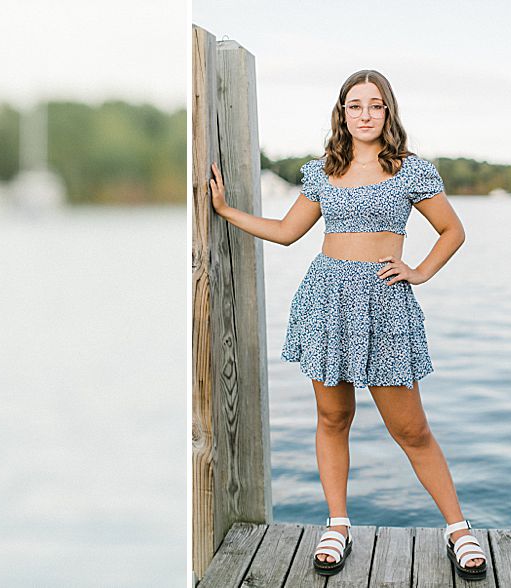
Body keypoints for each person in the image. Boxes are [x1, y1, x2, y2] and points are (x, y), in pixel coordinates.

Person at [208, 70, 485, 580]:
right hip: (327, 302)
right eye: (354, 105)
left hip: (384, 305)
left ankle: (458, 530)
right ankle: (337, 525)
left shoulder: (409, 170)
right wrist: (226, 210)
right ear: (342, 113)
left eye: (374, 106)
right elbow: (288, 232)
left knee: (412, 430)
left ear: (387, 113)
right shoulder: (323, 171)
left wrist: (419, 271)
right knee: (333, 419)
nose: (364, 114)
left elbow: (452, 230)